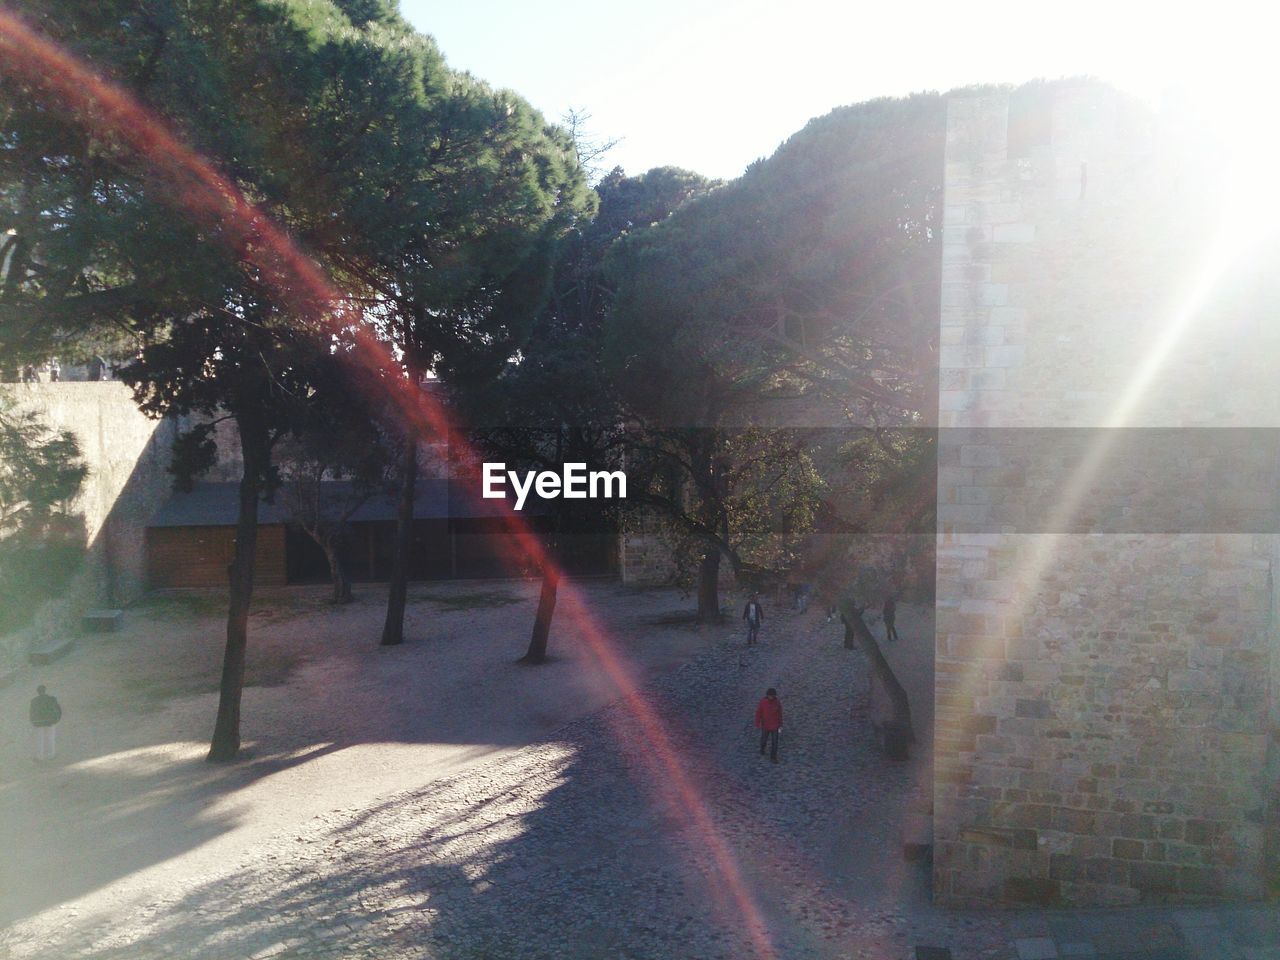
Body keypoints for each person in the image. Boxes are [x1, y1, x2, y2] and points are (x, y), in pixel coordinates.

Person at [29, 685, 62, 762]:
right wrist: (57, 719)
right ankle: (51, 755)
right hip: (50, 721)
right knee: (50, 738)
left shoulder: (33, 701)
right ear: (45, 690)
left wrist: (33, 722)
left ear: (38, 692)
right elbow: (58, 709)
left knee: (39, 739)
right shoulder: (52, 699)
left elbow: (31, 713)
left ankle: (39, 756)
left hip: (38, 723)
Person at [754, 687, 783, 762]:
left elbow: (780, 714)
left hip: (775, 726)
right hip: (766, 725)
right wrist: (757, 723)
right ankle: (762, 749)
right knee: (763, 740)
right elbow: (759, 713)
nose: (771, 697)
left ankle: (773, 757)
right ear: (767, 695)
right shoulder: (763, 702)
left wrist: (780, 724)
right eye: (770, 695)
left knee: (775, 743)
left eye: (772, 696)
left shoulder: (777, 703)